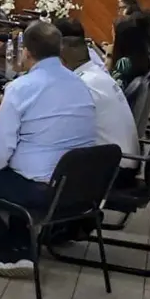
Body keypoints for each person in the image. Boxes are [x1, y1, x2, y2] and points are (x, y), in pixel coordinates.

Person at [0, 21, 96, 277]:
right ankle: (22, 243)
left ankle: (10, 249)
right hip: (82, 187)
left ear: (26, 51)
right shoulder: (80, 83)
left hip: (43, 190)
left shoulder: (21, 88)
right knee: (18, 169)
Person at [59, 34, 139, 188]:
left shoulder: (82, 84)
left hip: (115, 171)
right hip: (124, 162)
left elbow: (61, 128)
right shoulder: (96, 74)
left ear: (62, 62)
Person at [107, 15, 150, 89]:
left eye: (114, 34)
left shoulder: (124, 63)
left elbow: (112, 88)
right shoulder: (142, 57)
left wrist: (108, 56)